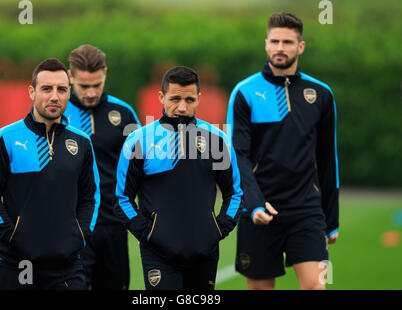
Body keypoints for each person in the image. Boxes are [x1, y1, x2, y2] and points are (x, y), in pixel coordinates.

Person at [227, 12, 339, 290]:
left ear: (300, 47)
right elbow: (237, 154)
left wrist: (332, 219)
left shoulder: (321, 94)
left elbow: (328, 158)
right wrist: (253, 203)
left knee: (316, 286)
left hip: (306, 210)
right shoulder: (245, 92)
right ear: (266, 44)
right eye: (275, 41)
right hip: (260, 208)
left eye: (287, 42)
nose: (280, 48)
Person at [114, 66, 243, 290]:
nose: (182, 107)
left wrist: (219, 228)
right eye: (174, 99)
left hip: (205, 252)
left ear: (199, 99)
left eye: (189, 99)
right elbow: (122, 198)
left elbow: (235, 193)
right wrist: (146, 232)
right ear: (161, 97)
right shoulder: (139, 140)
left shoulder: (218, 140)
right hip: (158, 254)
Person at [0, 58, 100, 290]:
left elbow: (91, 197)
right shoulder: (5, 138)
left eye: (62, 89)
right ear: (32, 92)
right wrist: (11, 236)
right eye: (47, 89)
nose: (54, 96)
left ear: (69, 93)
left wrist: (81, 235)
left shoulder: (82, 142)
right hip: (15, 266)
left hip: (67, 268)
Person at [63, 44, 141, 290]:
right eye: (84, 86)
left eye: (96, 85)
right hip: (68, 227)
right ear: (70, 76)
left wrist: (144, 218)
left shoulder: (124, 113)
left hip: (112, 225)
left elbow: (142, 168)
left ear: (105, 73)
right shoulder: (55, 111)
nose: (90, 92)